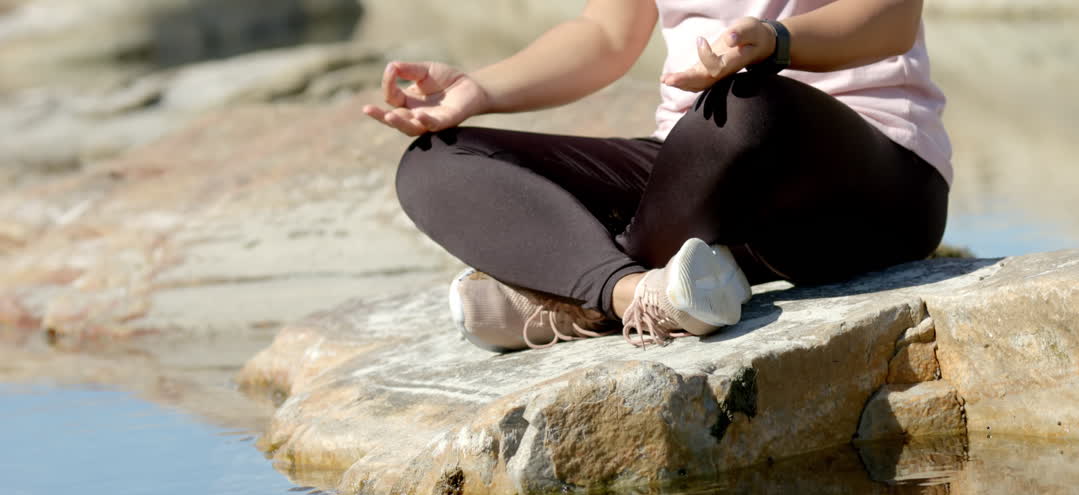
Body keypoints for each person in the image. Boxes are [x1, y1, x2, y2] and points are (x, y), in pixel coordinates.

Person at [363, 1, 951, 351]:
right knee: (435, 158)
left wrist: (776, 43)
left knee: (748, 106)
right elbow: (605, 36)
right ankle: (632, 293)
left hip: (865, 178)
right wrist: (482, 89)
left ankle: (571, 290)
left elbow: (891, 17)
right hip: (695, 172)